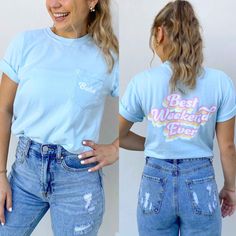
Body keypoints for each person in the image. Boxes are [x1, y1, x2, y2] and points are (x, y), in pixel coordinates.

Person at [0, 0, 119, 235]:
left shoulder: (109, 57)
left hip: (78, 181)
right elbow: (3, 109)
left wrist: (116, 148)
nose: (54, 4)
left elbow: (145, 109)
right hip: (25, 174)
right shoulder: (26, 43)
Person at [119, 1, 236, 235]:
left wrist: (155, 144)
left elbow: (118, 135)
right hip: (200, 181)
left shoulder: (143, 82)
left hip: (155, 181)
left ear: (160, 33)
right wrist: (231, 188)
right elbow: (228, 147)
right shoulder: (220, 82)